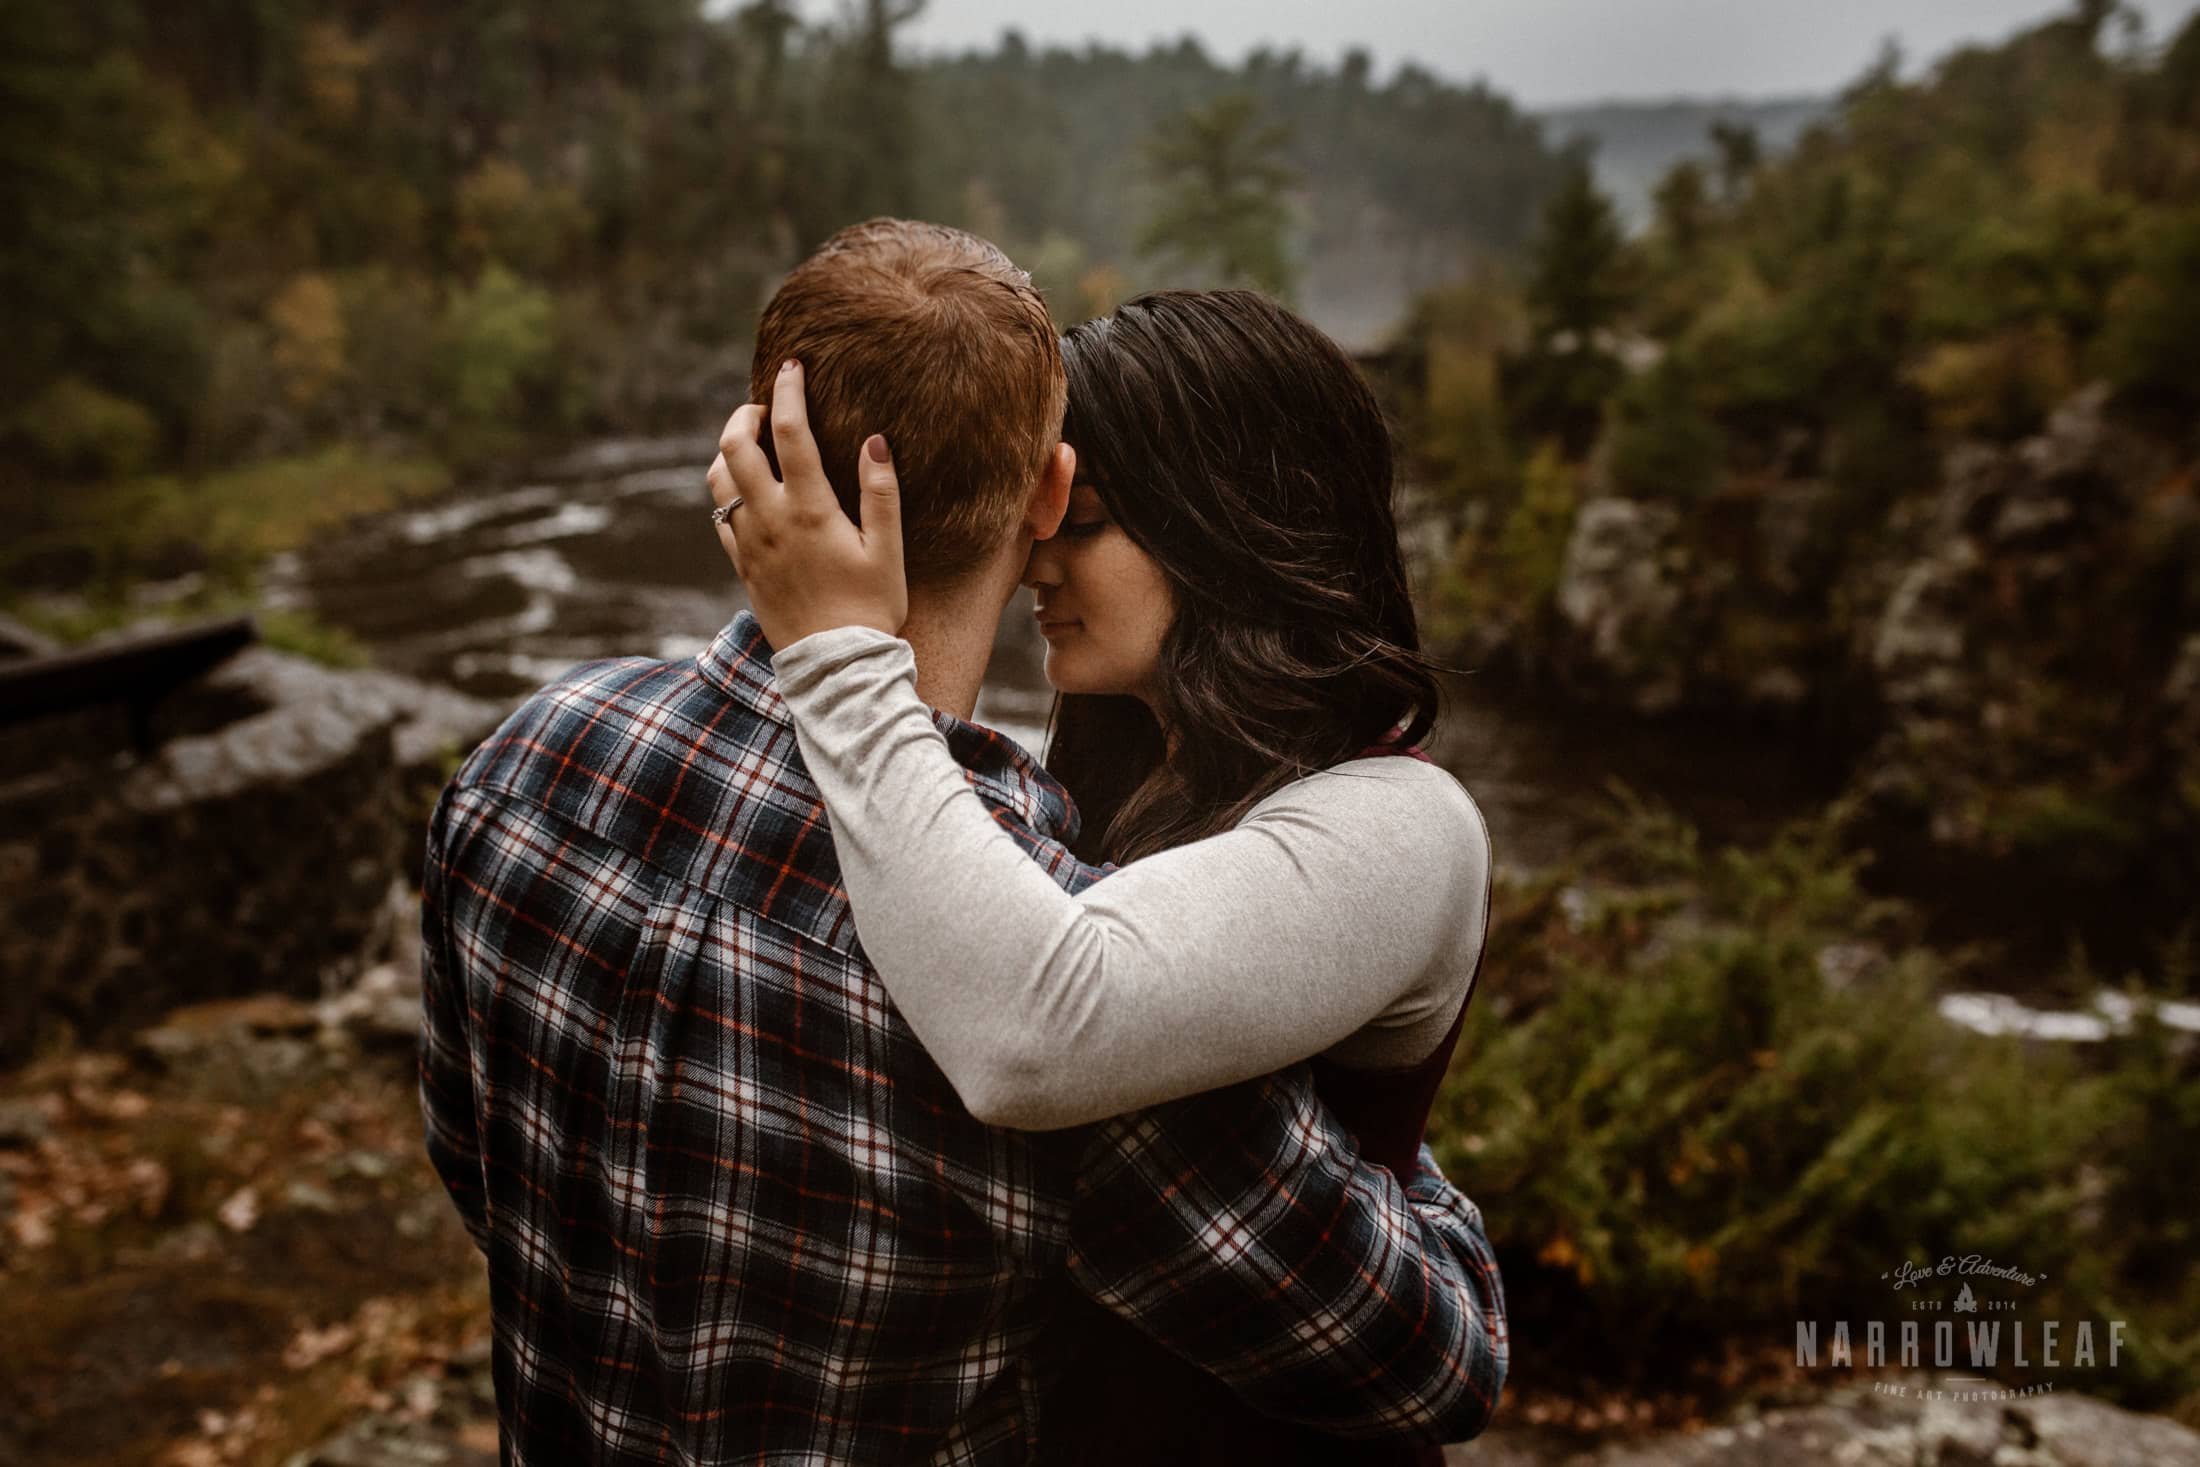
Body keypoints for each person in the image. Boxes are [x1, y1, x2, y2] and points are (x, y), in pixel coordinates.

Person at [420, 220, 1506, 1466]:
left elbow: (482, 1165)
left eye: (1090, 524)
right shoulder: (1014, 929)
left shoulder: (529, 757)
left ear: (768, 453)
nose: (1045, 555)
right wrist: (1424, 1204)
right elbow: (1422, 1353)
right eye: (1069, 510)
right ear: (1037, 484)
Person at [710, 287, 1498, 1464]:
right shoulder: (1104, 776)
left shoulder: (1399, 824)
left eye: (1079, 519)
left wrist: (835, 652)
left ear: (1226, 519)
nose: (1034, 555)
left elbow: (1033, 1026)